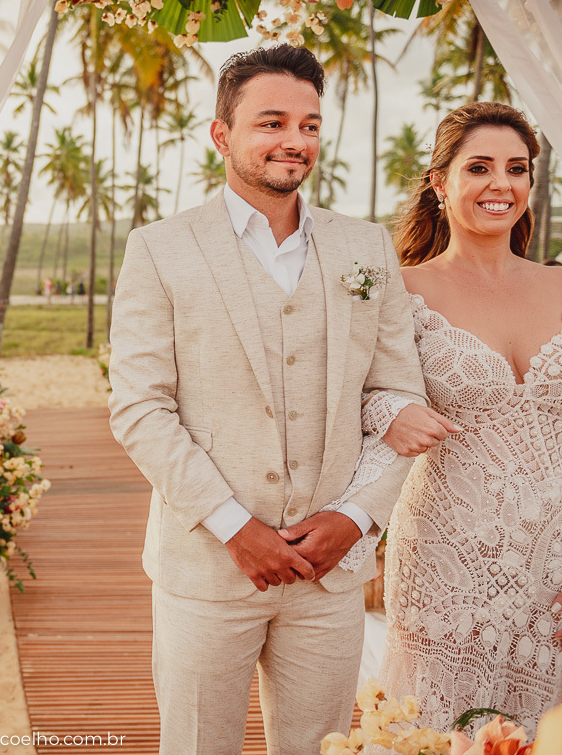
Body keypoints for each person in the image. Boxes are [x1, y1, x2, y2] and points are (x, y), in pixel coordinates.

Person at [106, 45, 430, 755]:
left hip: (329, 573)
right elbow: (139, 407)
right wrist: (233, 527)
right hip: (205, 567)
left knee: (324, 748)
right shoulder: (161, 249)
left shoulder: (365, 248)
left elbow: (399, 395)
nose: (295, 140)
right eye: (272, 122)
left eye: (310, 125)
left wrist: (353, 517)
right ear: (221, 135)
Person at [379, 102, 562, 732]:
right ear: (439, 182)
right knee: (440, 732)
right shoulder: (398, 290)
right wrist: (389, 410)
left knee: (556, 732)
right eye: (479, 167)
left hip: (561, 563)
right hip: (445, 554)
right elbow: (359, 396)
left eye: (517, 169)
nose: (500, 185)